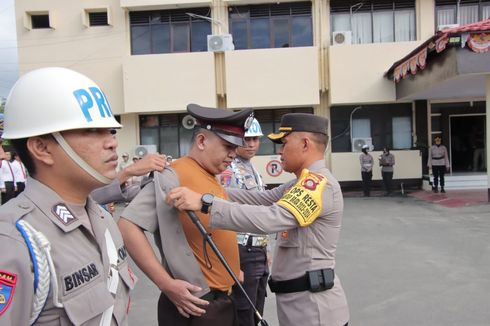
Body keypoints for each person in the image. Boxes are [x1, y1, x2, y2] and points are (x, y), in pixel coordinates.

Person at [168, 113, 350, 326]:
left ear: (305, 144)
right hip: (300, 303)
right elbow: (261, 199)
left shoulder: (318, 185)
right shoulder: (298, 184)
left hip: (314, 309)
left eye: (284, 143)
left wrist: (207, 202)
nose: (279, 151)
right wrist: (206, 187)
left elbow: (271, 218)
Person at [0, 67, 134, 325]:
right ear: (42, 148)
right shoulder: (14, 240)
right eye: (92, 130)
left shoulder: (102, 218)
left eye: (110, 130)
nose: (111, 142)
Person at [118, 103, 254, 326]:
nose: (233, 154)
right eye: (227, 146)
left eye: (235, 148)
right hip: (197, 303)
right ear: (201, 141)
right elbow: (128, 226)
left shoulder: (210, 174)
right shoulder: (174, 174)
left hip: (224, 297)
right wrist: (165, 283)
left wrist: (231, 269)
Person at [219, 118, 269, 326]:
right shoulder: (229, 170)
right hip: (241, 251)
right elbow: (223, 215)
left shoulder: (252, 169)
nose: (251, 144)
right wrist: (232, 260)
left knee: (256, 307)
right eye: (247, 139)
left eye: (255, 139)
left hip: (258, 250)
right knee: (243, 311)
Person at [91, 152, 168, 206]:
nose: (113, 143)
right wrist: (128, 172)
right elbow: (93, 196)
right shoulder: (123, 165)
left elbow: (134, 192)